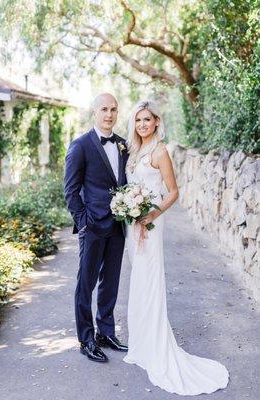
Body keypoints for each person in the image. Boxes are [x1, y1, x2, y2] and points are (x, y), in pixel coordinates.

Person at [123, 100, 229, 395]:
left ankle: (155, 347)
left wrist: (152, 214)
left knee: (150, 282)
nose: (143, 124)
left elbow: (173, 192)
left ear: (157, 121)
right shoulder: (135, 151)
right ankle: (141, 346)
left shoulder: (160, 151)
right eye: (138, 120)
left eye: (147, 119)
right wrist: (130, 209)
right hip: (134, 225)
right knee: (138, 283)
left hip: (151, 225)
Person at [64, 93, 129, 362]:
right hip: (92, 226)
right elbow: (70, 190)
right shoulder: (80, 145)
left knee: (110, 283)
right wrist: (83, 222)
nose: (109, 114)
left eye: (113, 109)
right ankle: (87, 339)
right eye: (104, 109)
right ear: (94, 112)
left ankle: (106, 332)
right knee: (86, 284)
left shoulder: (124, 145)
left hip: (117, 225)